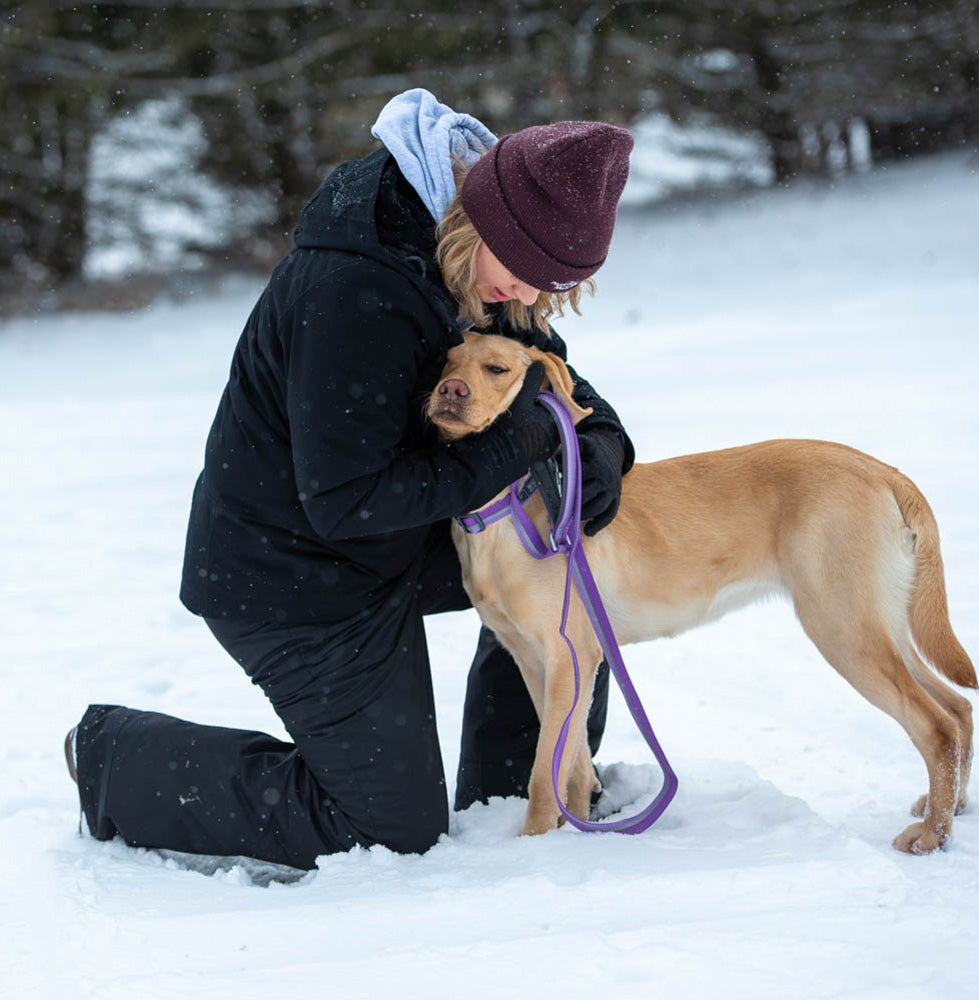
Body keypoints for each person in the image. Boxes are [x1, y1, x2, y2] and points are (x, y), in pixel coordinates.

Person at [65, 89, 636, 871]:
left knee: (569, 562)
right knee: (387, 832)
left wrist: (600, 449)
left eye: (555, 285)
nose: (532, 298)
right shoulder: (356, 289)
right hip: (294, 579)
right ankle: (113, 758)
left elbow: (562, 387)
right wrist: (518, 446)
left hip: (397, 540)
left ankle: (509, 790)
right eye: (531, 273)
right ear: (490, 222)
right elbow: (348, 501)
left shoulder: (482, 262)